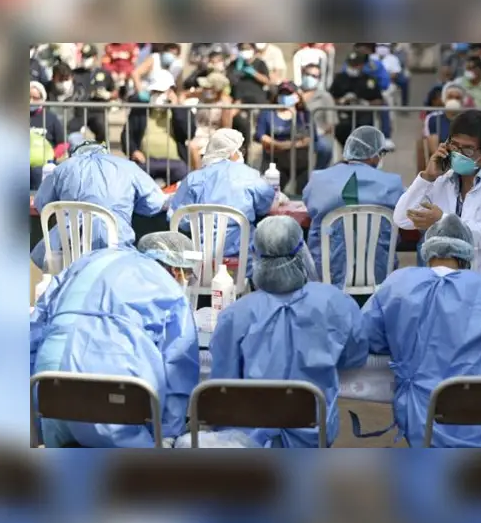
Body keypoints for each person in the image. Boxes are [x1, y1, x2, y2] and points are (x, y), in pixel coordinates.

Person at [360, 214, 481, 447]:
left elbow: (368, 337)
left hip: (423, 421)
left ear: (427, 250)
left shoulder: (397, 284)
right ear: (467, 254)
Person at [206, 216, 367, 448]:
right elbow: (354, 358)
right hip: (313, 435)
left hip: (249, 440)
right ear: (302, 253)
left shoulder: (236, 314)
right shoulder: (337, 303)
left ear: (255, 255)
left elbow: (222, 386)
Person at [30, 232, 201, 448]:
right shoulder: (169, 289)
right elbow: (178, 367)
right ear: (176, 270)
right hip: (112, 398)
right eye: (188, 274)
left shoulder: (90, 260)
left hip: (47, 384)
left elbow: (35, 328)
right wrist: (166, 435)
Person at [393, 110, 481, 284]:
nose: (458, 154)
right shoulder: (441, 179)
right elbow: (402, 219)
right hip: (440, 282)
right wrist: (427, 177)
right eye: (454, 145)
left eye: (467, 149)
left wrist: (443, 221)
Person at [31, 136, 168, 272]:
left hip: (69, 252)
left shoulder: (63, 168)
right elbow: (155, 203)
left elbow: (42, 204)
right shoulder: (127, 167)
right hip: (116, 247)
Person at [303, 126, 404, 291]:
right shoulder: (393, 184)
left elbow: (309, 205)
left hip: (327, 276)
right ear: (374, 155)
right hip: (378, 276)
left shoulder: (318, 180)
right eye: (381, 153)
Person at [169, 128, 275, 269]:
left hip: (199, 262)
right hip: (242, 263)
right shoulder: (250, 176)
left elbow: (179, 219)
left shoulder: (193, 179)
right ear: (232, 152)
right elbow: (265, 205)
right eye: (239, 150)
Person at [255, 81, 332, 192]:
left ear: (297, 96)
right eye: (283, 94)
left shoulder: (304, 115)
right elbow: (262, 137)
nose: (285, 97)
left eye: (289, 94)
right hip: (275, 163)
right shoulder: (268, 113)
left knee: (302, 195)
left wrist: (278, 145)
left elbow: (308, 139)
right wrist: (293, 144)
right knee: (271, 195)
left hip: (300, 163)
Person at [121, 69, 192, 185]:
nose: (157, 95)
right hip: (146, 162)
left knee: (184, 178)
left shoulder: (181, 110)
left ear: (171, 91)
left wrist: (175, 108)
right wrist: (133, 151)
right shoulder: (139, 109)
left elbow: (188, 132)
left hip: (174, 163)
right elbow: (126, 135)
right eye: (154, 91)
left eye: (161, 91)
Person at [329, 51, 385, 147]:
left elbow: (380, 100)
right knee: (342, 128)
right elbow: (330, 98)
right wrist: (342, 100)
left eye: (356, 65)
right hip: (344, 115)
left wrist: (366, 103)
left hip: (363, 116)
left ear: (362, 65)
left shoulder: (370, 80)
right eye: (351, 64)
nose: (353, 67)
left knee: (364, 129)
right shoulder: (339, 78)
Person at [421, 82, 471, 169]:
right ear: (444, 99)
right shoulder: (433, 119)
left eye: (457, 98)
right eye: (450, 97)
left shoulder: (469, 120)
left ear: (462, 101)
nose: (453, 100)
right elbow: (434, 150)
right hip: (443, 165)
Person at [351, 43, 393, 138]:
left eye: (366, 48)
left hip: (373, 96)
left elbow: (385, 83)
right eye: (359, 47)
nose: (362, 49)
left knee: (384, 107)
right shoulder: (349, 63)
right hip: (353, 97)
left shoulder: (376, 65)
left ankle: (386, 137)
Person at [30, 81, 66, 189]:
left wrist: (52, 156)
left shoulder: (50, 118)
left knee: (38, 172)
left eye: (35, 98)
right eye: (28, 97)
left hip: (43, 164)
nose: (31, 101)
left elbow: (63, 143)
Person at [299, 63, 337, 147]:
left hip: (319, 137)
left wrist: (319, 133)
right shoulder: (294, 93)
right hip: (295, 135)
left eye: (314, 76)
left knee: (324, 147)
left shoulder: (325, 97)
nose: (310, 78)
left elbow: (331, 123)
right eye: (307, 74)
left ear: (319, 79)